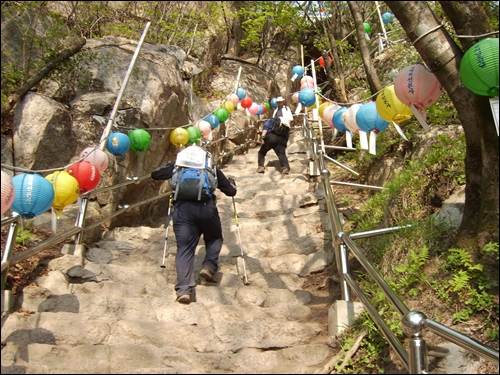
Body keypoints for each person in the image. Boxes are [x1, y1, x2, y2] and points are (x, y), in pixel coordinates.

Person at [151, 144, 237, 305]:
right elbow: (231, 191)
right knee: (214, 238)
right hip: (206, 208)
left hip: (182, 209)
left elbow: (155, 174)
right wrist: (232, 183)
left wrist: (172, 165)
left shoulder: (179, 164)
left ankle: (184, 290)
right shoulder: (209, 165)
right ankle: (209, 267)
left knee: (184, 248)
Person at [256, 96, 294, 174]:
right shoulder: (286, 124)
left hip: (272, 137)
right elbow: (288, 132)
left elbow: (266, 128)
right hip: (282, 138)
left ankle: (261, 167)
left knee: (262, 152)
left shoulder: (272, 120)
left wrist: (263, 138)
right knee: (281, 154)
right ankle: (285, 168)